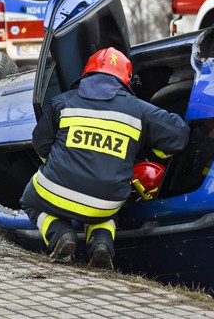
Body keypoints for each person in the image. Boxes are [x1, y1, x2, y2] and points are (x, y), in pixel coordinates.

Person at [20, 47, 190, 269]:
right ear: (125, 80)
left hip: (55, 191)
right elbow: (179, 136)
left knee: (29, 200)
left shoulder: (62, 101)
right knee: (103, 211)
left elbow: (40, 143)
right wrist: (145, 148)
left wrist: (59, 168)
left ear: (87, 74)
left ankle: (61, 235)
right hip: (106, 202)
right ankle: (102, 246)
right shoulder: (139, 110)